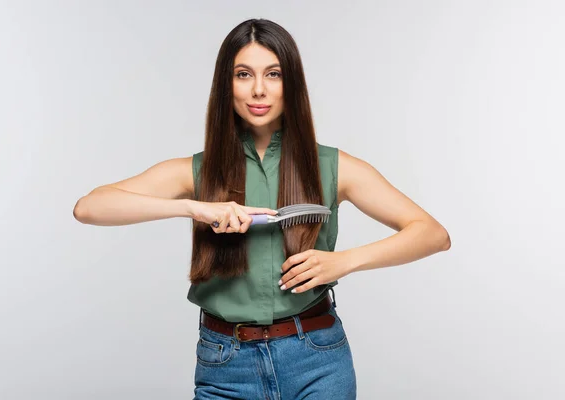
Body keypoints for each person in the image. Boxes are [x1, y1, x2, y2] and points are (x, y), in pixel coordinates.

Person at [73, 18, 451, 400]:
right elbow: (90, 207)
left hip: (317, 360)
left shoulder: (336, 167)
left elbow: (432, 234)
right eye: (243, 74)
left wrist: (345, 261)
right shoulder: (196, 170)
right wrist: (194, 208)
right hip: (225, 364)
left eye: (273, 73)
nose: (258, 89)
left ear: (292, 84)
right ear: (227, 85)